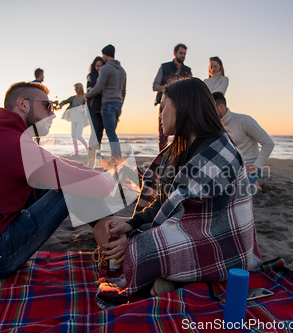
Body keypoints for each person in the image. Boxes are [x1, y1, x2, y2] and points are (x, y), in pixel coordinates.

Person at [93, 78, 262, 299]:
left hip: (221, 241)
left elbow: (181, 217)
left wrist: (135, 237)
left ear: (183, 108)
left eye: (164, 106)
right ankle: (171, 277)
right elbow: (165, 204)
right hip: (185, 229)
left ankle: (171, 278)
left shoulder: (219, 151)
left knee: (139, 252)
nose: (160, 114)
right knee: (106, 228)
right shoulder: (177, 150)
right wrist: (131, 224)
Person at [0, 82, 116, 280]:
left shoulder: (1, 138)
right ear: (22, 104)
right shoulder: (16, 146)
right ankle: (116, 243)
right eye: (46, 106)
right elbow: (97, 187)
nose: (53, 114)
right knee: (73, 187)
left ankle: (114, 235)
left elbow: (59, 164)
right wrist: (107, 178)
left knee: (63, 180)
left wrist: (90, 172)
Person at [212, 92, 275, 194]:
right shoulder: (217, 127)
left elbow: (268, 143)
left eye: (211, 109)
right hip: (232, 170)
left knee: (239, 193)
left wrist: (256, 166)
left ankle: (254, 186)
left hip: (250, 167)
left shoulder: (244, 121)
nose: (208, 113)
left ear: (221, 107)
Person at [85, 44, 126, 160]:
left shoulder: (106, 69)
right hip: (118, 104)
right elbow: (124, 91)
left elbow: (98, 88)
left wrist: (86, 95)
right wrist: (121, 104)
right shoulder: (122, 71)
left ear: (105, 54)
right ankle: (116, 156)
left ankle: (116, 157)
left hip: (108, 103)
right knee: (111, 131)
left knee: (110, 133)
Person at [153, 44, 192, 152]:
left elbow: (191, 90)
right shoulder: (164, 67)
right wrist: (171, 89)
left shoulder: (188, 70)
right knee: (163, 135)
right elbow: (155, 86)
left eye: (184, 53)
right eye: (181, 53)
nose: (183, 56)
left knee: (183, 134)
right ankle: (161, 160)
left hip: (182, 106)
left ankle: (179, 157)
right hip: (165, 104)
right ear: (175, 54)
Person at [58, 83, 89, 156]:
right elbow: (65, 101)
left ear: (81, 88)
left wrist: (83, 110)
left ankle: (88, 148)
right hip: (73, 119)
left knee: (79, 136)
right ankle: (76, 152)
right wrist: (61, 104)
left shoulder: (85, 98)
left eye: (77, 88)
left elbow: (88, 108)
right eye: (75, 88)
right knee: (73, 135)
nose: (76, 89)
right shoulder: (73, 98)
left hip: (81, 119)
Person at [86, 56, 104, 160]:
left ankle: (97, 153)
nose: (100, 68)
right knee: (94, 131)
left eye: (101, 66)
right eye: (98, 66)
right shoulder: (90, 76)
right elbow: (89, 91)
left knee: (100, 132)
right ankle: (91, 154)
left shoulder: (105, 75)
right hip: (92, 107)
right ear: (94, 66)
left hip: (102, 107)